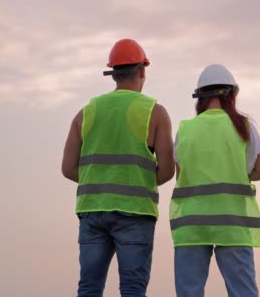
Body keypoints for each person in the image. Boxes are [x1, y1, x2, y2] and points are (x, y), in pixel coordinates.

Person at [61, 38, 175, 297]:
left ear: (113, 74)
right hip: (135, 213)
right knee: (133, 289)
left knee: (89, 287)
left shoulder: (86, 112)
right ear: (142, 71)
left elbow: (68, 168)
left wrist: (99, 180)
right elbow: (167, 171)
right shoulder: (155, 112)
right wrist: (134, 182)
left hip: (92, 211)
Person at [170, 64, 260, 297]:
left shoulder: (185, 130)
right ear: (231, 95)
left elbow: (180, 177)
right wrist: (239, 172)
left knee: (189, 292)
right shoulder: (243, 126)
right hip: (232, 224)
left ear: (199, 98)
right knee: (242, 292)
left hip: (191, 226)